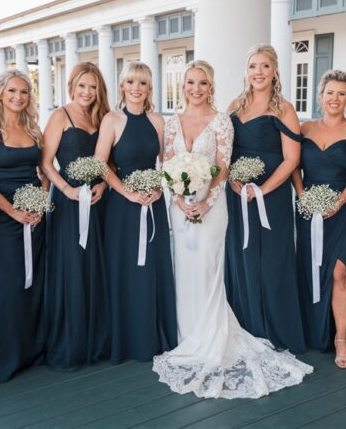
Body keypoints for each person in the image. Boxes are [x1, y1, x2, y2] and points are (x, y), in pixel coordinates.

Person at [153, 60, 312, 399]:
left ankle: (211, 337)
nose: (197, 88)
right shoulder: (171, 124)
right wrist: (180, 201)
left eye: (204, 83)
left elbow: (223, 166)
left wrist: (205, 202)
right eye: (191, 82)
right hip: (180, 208)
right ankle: (187, 336)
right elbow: (168, 163)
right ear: (183, 86)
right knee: (184, 269)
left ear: (212, 87)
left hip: (212, 208)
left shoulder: (222, 120)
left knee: (210, 269)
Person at [225, 44, 307, 353]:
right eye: (253, 66)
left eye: (264, 66)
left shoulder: (284, 108)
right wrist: (234, 181)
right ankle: (244, 326)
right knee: (241, 257)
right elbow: (225, 150)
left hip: (270, 197)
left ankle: (274, 329)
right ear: (246, 72)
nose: (258, 72)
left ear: (274, 71)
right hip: (236, 194)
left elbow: (291, 159)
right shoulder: (234, 104)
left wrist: (262, 190)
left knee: (271, 263)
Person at [95, 61, 177, 364]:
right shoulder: (112, 119)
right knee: (125, 269)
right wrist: (128, 192)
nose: (136, 88)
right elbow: (101, 163)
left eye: (142, 83)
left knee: (152, 269)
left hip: (153, 202)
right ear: (122, 86)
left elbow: (166, 163)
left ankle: (153, 336)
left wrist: (158, 188)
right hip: (122, 207)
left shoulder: (158, 120)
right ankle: (127, 339)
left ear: (149, 88)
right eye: (131, 82)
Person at [292, 70, 346, 369]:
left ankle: (341, 338)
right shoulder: (305, 128)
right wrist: (302, 196)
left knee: (339, 272)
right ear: (320, 96)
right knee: (311, 269)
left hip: (345, 209)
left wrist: (338, 202)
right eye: (330, 93)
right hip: (308, 210)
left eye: (341, 93)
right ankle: (313, 330)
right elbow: (293, 166)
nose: (334, 98)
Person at [0, 69, 47, 381]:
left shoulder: (34, 130)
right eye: (12, 91)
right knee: (10, 283)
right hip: (4, 216)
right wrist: (13, 212)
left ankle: (34, 350)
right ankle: (6, 357)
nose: (18, 97)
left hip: (36, 214)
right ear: (1, 94)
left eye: (24, 92)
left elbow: (44, 174)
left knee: (37, 281)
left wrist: (40, 203)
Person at [41, 62, 111, 370]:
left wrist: (104, 187)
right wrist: (66, 190)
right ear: (72, 86)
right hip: (68, 204)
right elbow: (45, 164)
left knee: (95, 268)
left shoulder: (102, 117)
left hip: (98, 203)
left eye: (92, 87)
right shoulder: (60, 115)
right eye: (82, 86)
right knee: (71, 269)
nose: (87, 92)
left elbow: (112, 163)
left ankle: (97, 341)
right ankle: (71, 342)